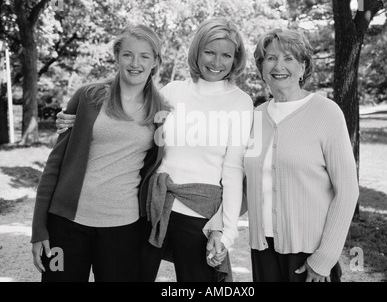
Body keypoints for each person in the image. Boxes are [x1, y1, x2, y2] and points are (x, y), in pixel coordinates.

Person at [55, 18, 254, 282]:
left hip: (200, 215)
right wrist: (78, 112)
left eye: (226, 55)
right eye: (209, 52)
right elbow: (131, 101)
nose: (217, 62)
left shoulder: (240, 102)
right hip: (151, 207)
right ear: (197, 51)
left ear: (235, 59)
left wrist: (225, 231)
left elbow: (233, 170)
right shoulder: (171, 92)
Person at [31, 24, 170, 282]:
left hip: (123, 229)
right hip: (66, 226)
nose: (135, 63)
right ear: (117, 56)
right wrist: (39, 229)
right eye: (128, 54)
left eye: (144, 56)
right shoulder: (88, 96)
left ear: (155, 62)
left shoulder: (161, 111)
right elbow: (54, 165)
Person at [243, 28, 359, 282]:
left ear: (303, 66)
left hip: (310, 254)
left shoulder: (327, 112)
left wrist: (324, 258)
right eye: (270, 58)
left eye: (289, 58)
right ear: (261, 67)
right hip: (262, 249)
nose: (278, 66)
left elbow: (348, 191)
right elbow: (246, 187)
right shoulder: (255, 117)